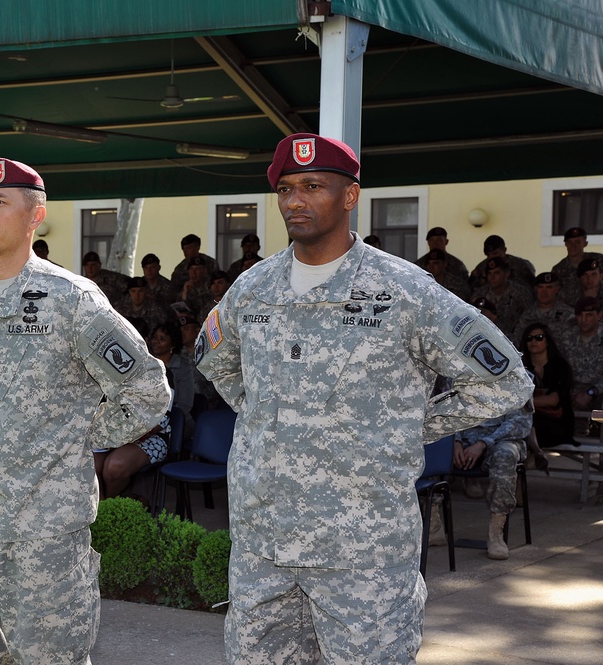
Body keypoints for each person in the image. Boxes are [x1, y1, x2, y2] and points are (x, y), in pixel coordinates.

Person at [195, 133, 532, 664]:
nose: (295, 201)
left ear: (350, 196)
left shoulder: (404, 291)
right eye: (285, 189)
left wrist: (407, 423)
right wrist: (273, 413)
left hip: (362, 556)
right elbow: (214, 361)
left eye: (312, 186)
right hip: (264, 548)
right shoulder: (252, 288)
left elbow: (506, 381)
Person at [0, 157, 169, 664]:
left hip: (44, 530)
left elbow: (146, 389)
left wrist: (78, 433)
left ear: (36, 215)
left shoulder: (70, 300)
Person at [94, 321, 191, 500]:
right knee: (89, 465)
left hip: (150, 436)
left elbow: (160, 421)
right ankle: (105, 510)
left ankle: (112, 508)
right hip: (115, 434)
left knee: (114, 467)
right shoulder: (113, 369)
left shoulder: (159, 372)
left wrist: (120, 436)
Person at [453, 402, 532, 560]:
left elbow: (519, 423)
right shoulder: (459, 376)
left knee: (505, 455)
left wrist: (484, 443)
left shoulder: (516, 379)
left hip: (500, 441)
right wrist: (454, 440)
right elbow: (445, 410)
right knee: (430, 448)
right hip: (462, 442)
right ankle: (433, 525)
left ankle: (496, 533)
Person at [520, 322, 575, 448]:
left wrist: (521, 403)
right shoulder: (520, 367)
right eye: (529, 338)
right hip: (529, 419)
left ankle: (533, 457)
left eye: (539, 338)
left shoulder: (561, 366)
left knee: (526, 426)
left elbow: (553, 400)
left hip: (557, 422)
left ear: (548, 341)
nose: (533, 341)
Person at [470, 256, 534, 337]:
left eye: (497, 273)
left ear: (506, 274)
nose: (492, 277)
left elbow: (528, 321)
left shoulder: (521, 294)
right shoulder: (479, 294)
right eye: (489, 273)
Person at [559, 297, 603, 413]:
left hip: (599, 393)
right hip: (573, 395)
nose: (583, 320)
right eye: (580, 315)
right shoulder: (566, 337)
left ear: (599, 316)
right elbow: (559, 369)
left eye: (589, 315)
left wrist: (591, 393)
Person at [512, 272, 573, 346]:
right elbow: (517, 340)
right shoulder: (527, 315)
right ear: (535, 289)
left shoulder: (568, 314)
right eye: (540, 287)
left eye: (549, 287)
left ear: (557, 289)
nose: (544, 292)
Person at [553, 227, 603, 306]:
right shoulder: (558, 270)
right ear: (565, 244)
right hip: (571, 312)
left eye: (577, 242)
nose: (573, 246)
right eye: (570, 242)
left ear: (585, 243)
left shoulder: (599, 260)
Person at [469, 235, 536, 292]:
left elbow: (533, 286)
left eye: (495, 253)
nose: (491, 257)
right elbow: (472, 288)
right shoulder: (482, 267)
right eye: (488, 255)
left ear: (504, 250)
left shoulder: (521, 265)